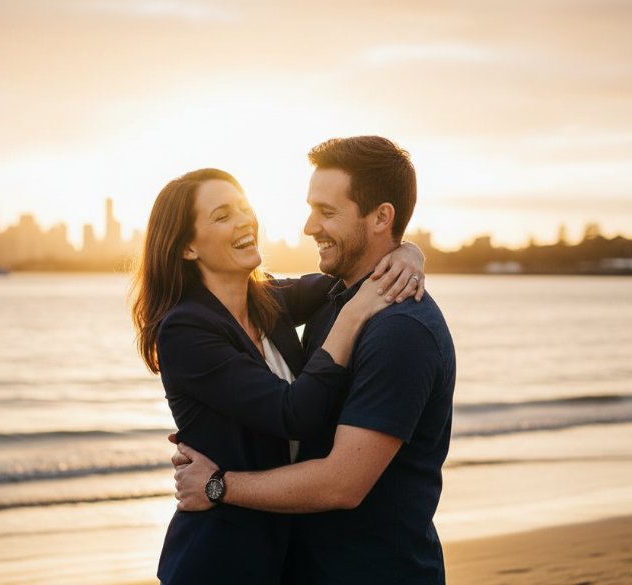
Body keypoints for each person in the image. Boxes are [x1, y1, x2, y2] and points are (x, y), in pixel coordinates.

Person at [173, 137, 456, 585]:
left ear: (382, 217)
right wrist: (404, 252)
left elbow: (342, 484)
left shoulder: (402, 330)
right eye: (311, 209)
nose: (309, 227)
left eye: (327, 212)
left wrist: (218, 485)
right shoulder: (335, 299)